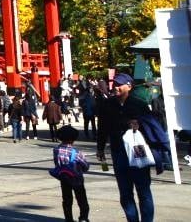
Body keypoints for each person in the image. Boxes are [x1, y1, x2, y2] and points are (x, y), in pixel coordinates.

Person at [96, 73, 154, 222]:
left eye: (119, 84)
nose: (115, 87)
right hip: (118, 150)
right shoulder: (107, 105)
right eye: (114, 84)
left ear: (129, 86)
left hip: (137, 149)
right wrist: (100, 148)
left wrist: (138, 125)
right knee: (125, 192)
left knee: (143, 191)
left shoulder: (139, 104)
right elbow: (102, 128)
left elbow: (151, 126)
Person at [52, 124, 90, 222]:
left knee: (67, 200)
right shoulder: (76, 153)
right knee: (82, 200)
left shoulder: (56, 150)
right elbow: (85, 166)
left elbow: (57, 163)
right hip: (77, 179)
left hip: (64, 178)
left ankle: (68, 219)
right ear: (73, 139)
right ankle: (83, 218)